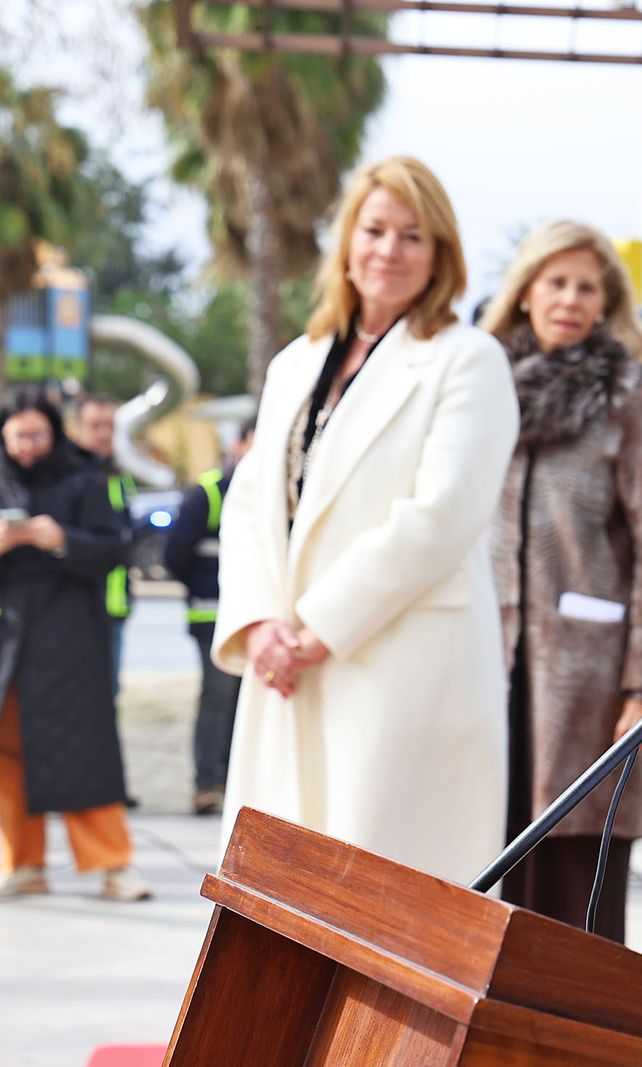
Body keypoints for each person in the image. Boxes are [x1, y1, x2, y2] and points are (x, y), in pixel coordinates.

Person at [211, 156, 518, 884]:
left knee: (386, 894)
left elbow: (442, 514)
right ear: (347, 243)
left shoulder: (467, 360)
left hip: (398, 668)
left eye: (413, 235)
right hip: (285, 666)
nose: (389, 250)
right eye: (375, 230)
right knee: (280, 894)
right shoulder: (297, 360)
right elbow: (252, 500)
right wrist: (261, 626)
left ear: (440, 254)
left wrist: (317, 630)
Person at [479, 221, 642, 942]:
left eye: (586, 286)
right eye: (555, 281)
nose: (569, 298)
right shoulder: (481, 392)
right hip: (484, 673)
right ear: (526, 291)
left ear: (605, 304)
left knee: (576, 914)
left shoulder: (632, 402)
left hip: (588, 686)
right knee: (484, 890)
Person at [0, 389, 150, 901]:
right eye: (17, 435)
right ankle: (23, 863)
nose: (26, 446)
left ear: (53, 433)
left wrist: (60, 539)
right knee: (8, 753)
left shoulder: (83, 482)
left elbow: (114, 549)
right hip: (10, 642)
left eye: (36, 434)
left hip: (69, 639)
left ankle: (113, 865)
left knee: (84, 750)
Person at [164, 418, 254, 815]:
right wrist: (204, 588)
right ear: (238, 443)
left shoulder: (273, 490)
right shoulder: (209, 493)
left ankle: (236, 784)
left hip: (254, 618)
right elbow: (174, 556)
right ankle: (208, 784)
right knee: (218, 697)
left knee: (243, 702)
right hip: (212, 615)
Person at [71, 396, 136, 696]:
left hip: (113, 609)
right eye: (95, 426)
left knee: (106, 698)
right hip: (76, 611)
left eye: (109, 426)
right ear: (76, 430)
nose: (104, 434)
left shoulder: (117, 479)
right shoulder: (69, 480)